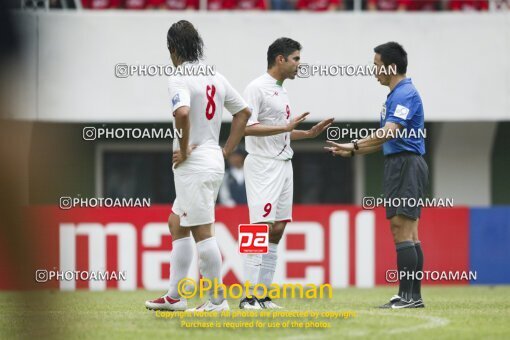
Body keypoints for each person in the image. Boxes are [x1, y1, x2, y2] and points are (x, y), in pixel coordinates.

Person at [145, 20, 251, 312]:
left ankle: (217, 301)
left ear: (173, 48)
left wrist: (182, 149)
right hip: (211, 160)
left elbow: (181, 113)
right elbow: (243, 113)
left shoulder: (178, 77)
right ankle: (175, 296)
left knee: (203, 232)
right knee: (176, 222)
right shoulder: (214, 76)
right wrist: (226, 151)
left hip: (194, 164)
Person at [325, 42, 428, 309]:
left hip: (406, 164)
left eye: (377, 66)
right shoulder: (395, 95)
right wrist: (352, 151)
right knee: (410, 232)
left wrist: (354, 145)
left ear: (391, 66)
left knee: (402, 229)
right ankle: (411, 296)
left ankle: (408, 297)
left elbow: (389, 133)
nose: (374, 72)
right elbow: (385, 140)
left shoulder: (405, 94)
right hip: (400, 163)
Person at [240, 37, 333, 309]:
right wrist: (285, 128)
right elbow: (246, 127)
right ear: (280, 59)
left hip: (283, 164)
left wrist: (308, 133)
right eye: (295, 59)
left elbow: (282, 130)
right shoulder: (256, 88)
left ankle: (263, 295)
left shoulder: (281, 90)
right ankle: (247, 297)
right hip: (262, 165)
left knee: (277, 229)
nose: (299, 65)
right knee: (260, 227)